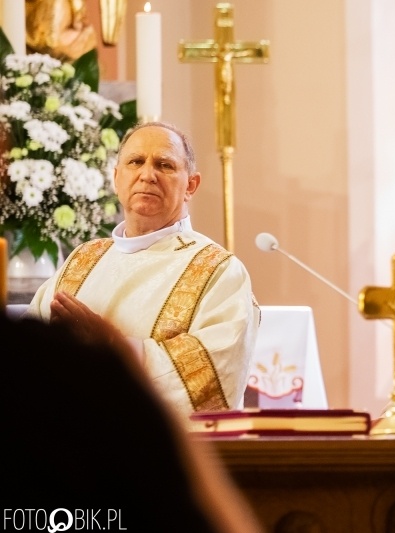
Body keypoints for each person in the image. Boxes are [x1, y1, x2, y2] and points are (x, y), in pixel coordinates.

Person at [26, 121, 260, 417]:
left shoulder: (218, 271)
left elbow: (215, 377)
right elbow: (25, 358)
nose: (147, 175)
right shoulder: (82, 260)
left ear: (191, 185)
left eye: (164, 165)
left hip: (152, 454)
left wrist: (112, 346)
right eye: (136, 161)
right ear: (116, 178)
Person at [1, 309, 264, 533]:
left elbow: (217, 359)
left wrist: (123, 352)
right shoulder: (78, 263)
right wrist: (123, 362)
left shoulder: (219, 270)